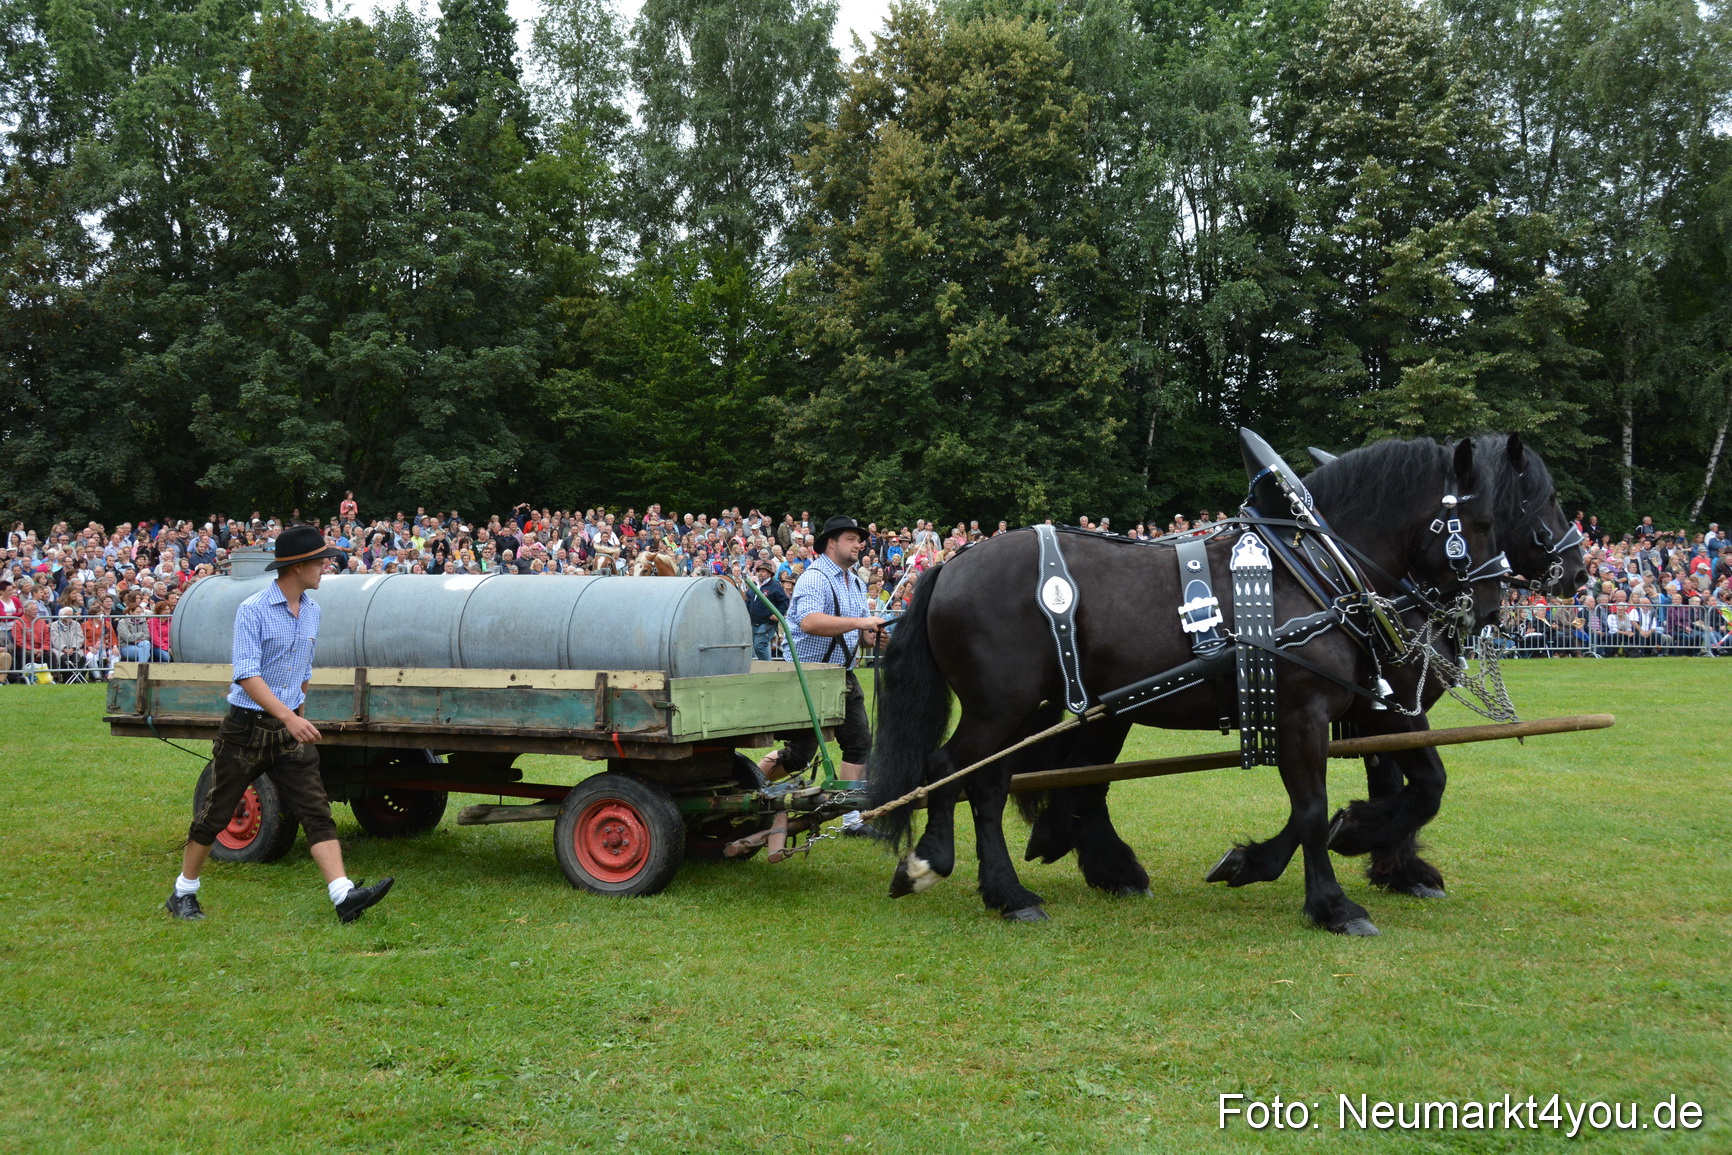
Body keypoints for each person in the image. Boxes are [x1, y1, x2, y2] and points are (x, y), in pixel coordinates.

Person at [166, 525, 395, 923]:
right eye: (320, 562)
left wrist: (296, 717)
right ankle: (183, 892)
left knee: (316, 811)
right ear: (298, 566)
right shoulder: (252, 609)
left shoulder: (312, 610)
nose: (326, 567)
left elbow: (301, 670)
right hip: (246, 729)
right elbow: (246, 674)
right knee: (216, 813)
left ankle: (343, 896)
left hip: (289, 731)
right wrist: (289, 717)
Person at [758, 516, 885, 786]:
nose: (858, 545)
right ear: (831, 543)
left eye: (859, 540)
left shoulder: (857, 583)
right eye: (851, 539)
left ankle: (850, 807)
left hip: (842, 675)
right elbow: (810, 622)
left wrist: (874, 637)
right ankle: (752, 783)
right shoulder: (814, 578)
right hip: (808, 676)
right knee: (799, 754)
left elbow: (862, 635)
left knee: (859, 743)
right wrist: (860, 622)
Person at [746, 558, 788, 660]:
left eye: (763, 571)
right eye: (759, 571)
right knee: (755, 645)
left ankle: (767, 665)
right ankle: (765, 664)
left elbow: (784, 602)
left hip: (767, 622)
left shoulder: (775, 586)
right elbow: (748, 600)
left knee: (760, 645)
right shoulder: (754, 585)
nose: (760, 573)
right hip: (753, 621)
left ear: (770, 574)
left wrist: (778, 614)